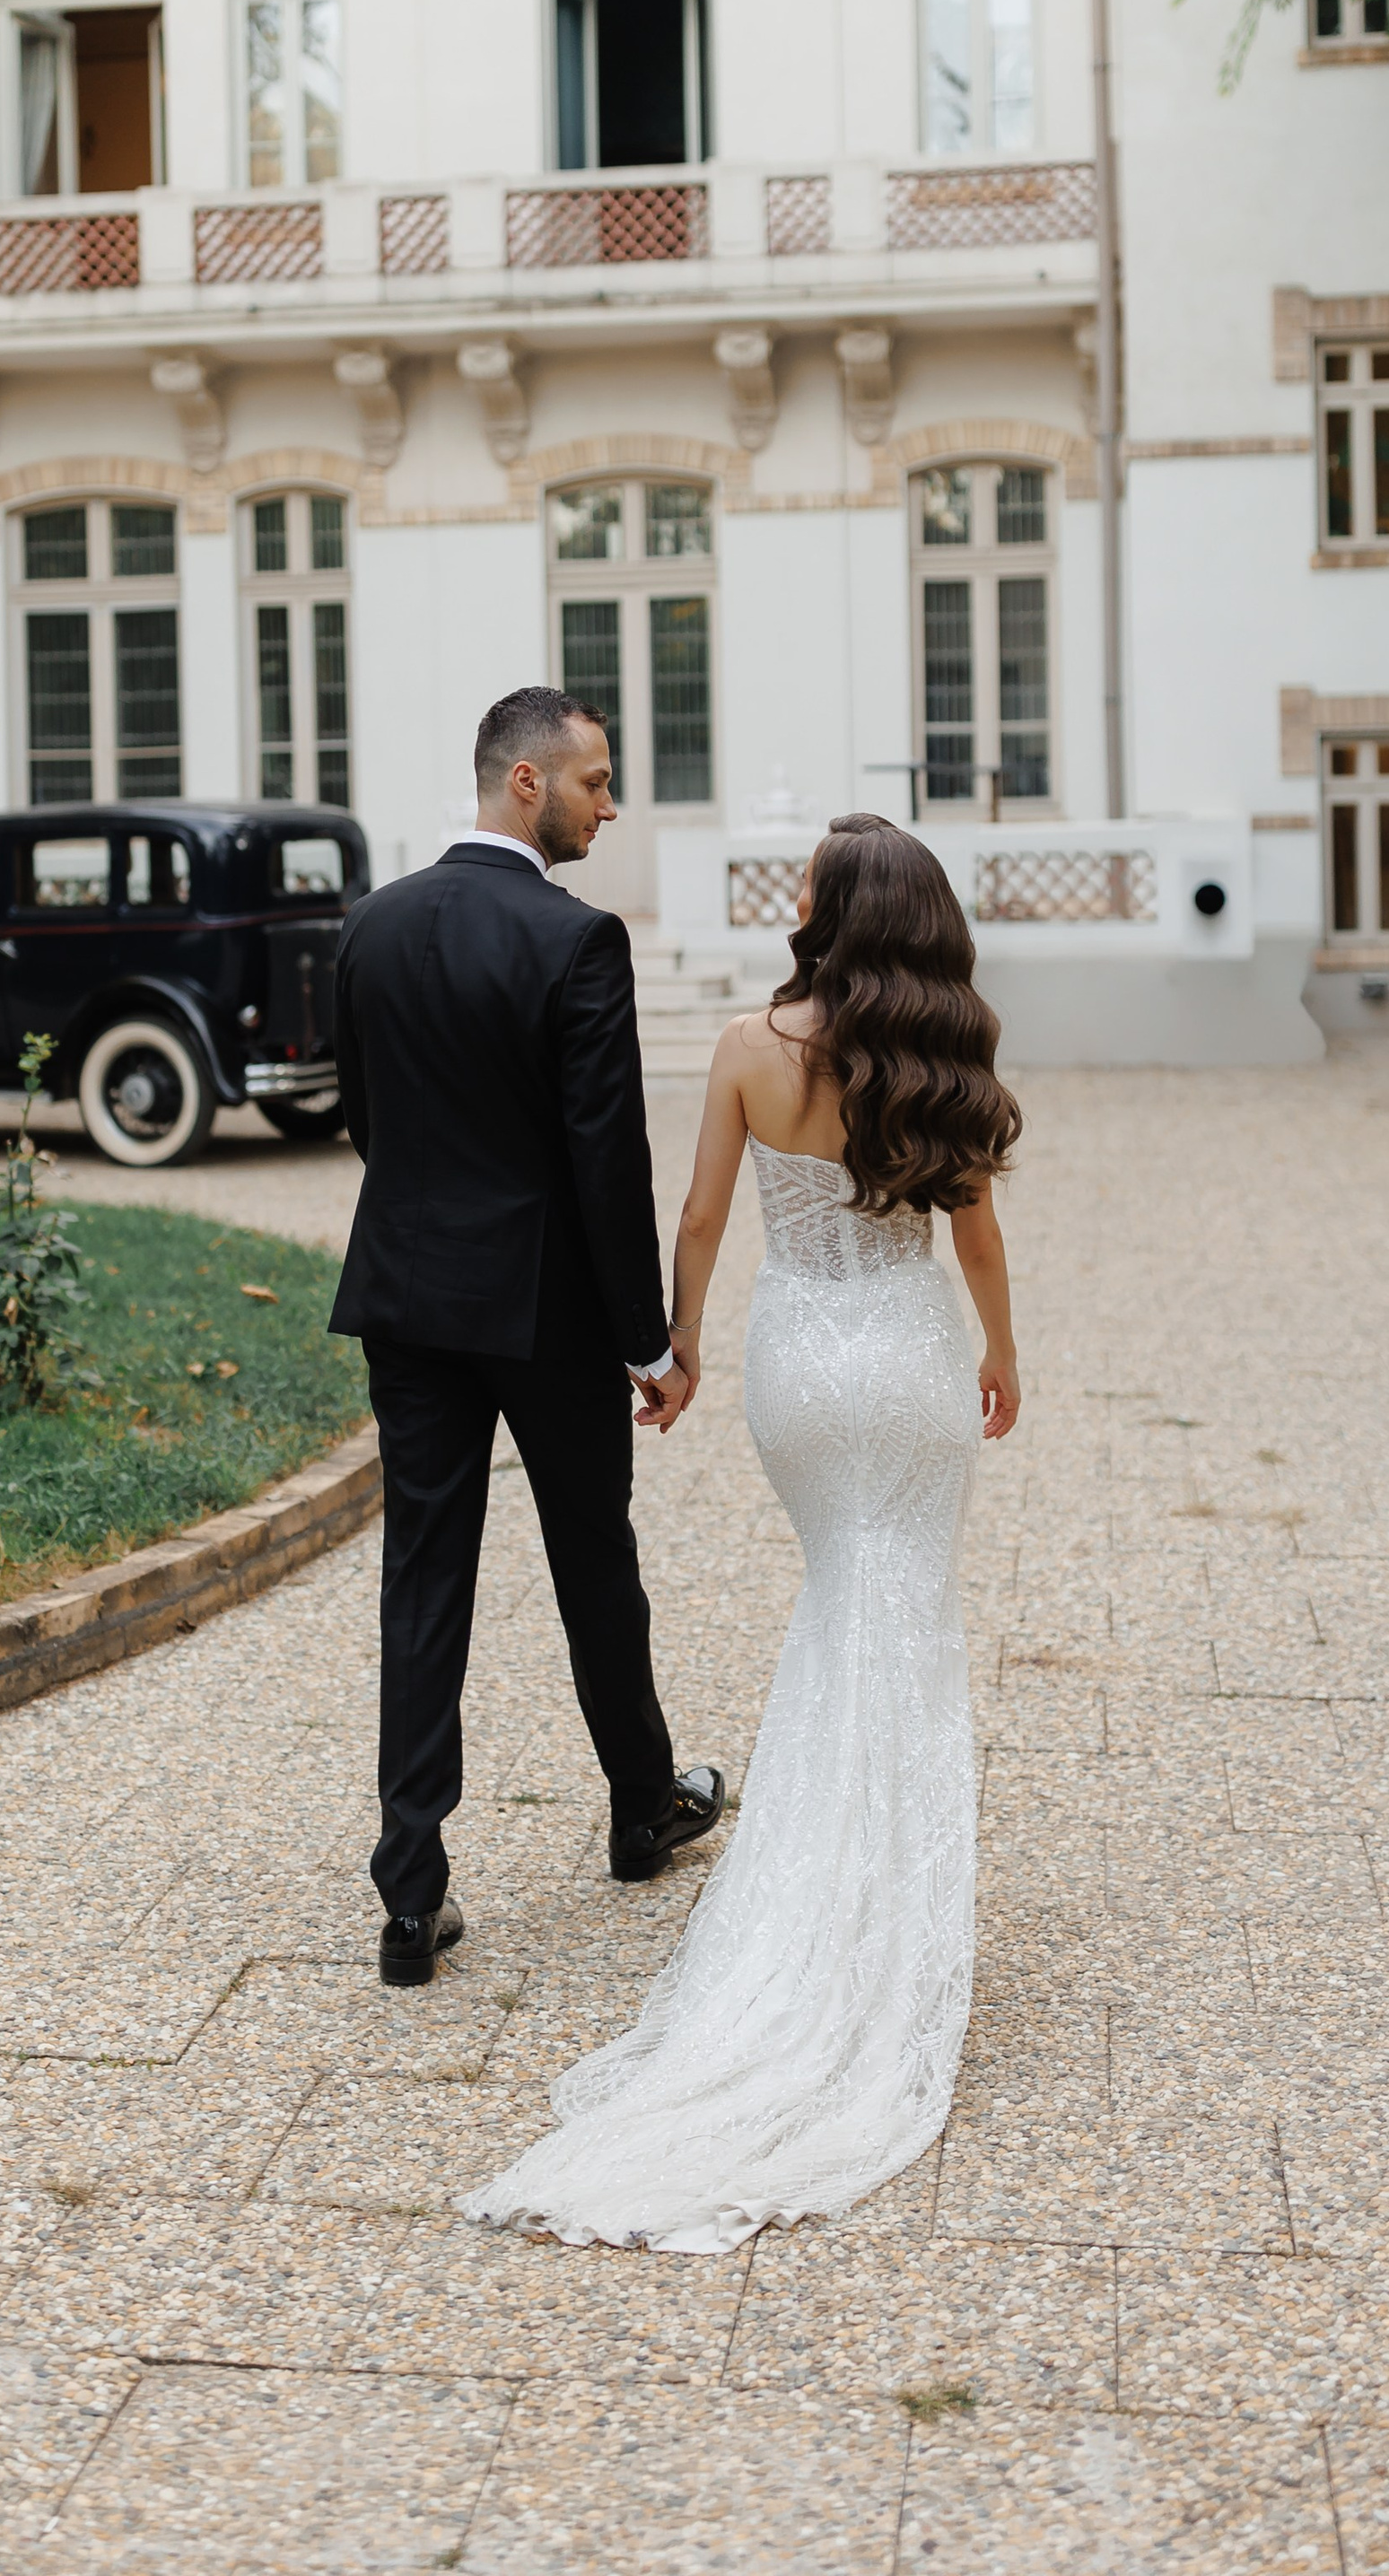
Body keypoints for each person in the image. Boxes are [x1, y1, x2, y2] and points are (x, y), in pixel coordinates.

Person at [464, 812, 1022, 2250]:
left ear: (831, 913)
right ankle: (887, 1911)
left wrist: (680, 1347)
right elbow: (974, 1233)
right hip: (908, 1361)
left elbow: (704, 1215)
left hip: (803, 1370)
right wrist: (1001, 1355)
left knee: (841, 1601)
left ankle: (822, 1905)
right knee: (904, 1614)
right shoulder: (949, 1047)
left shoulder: (744, 1046)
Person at [330, 685, 726, 1988]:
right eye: (596, 783)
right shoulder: (576, 943)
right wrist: (648, 1339)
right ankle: (640, 1807)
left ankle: (409, 1894)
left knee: (422, 1576)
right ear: (525, 786)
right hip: (544, 1311)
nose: (611, 807)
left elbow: (364, 1120)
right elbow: (606, 1162)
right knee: (591, 1560)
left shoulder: (373, 925)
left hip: (406, 1301)